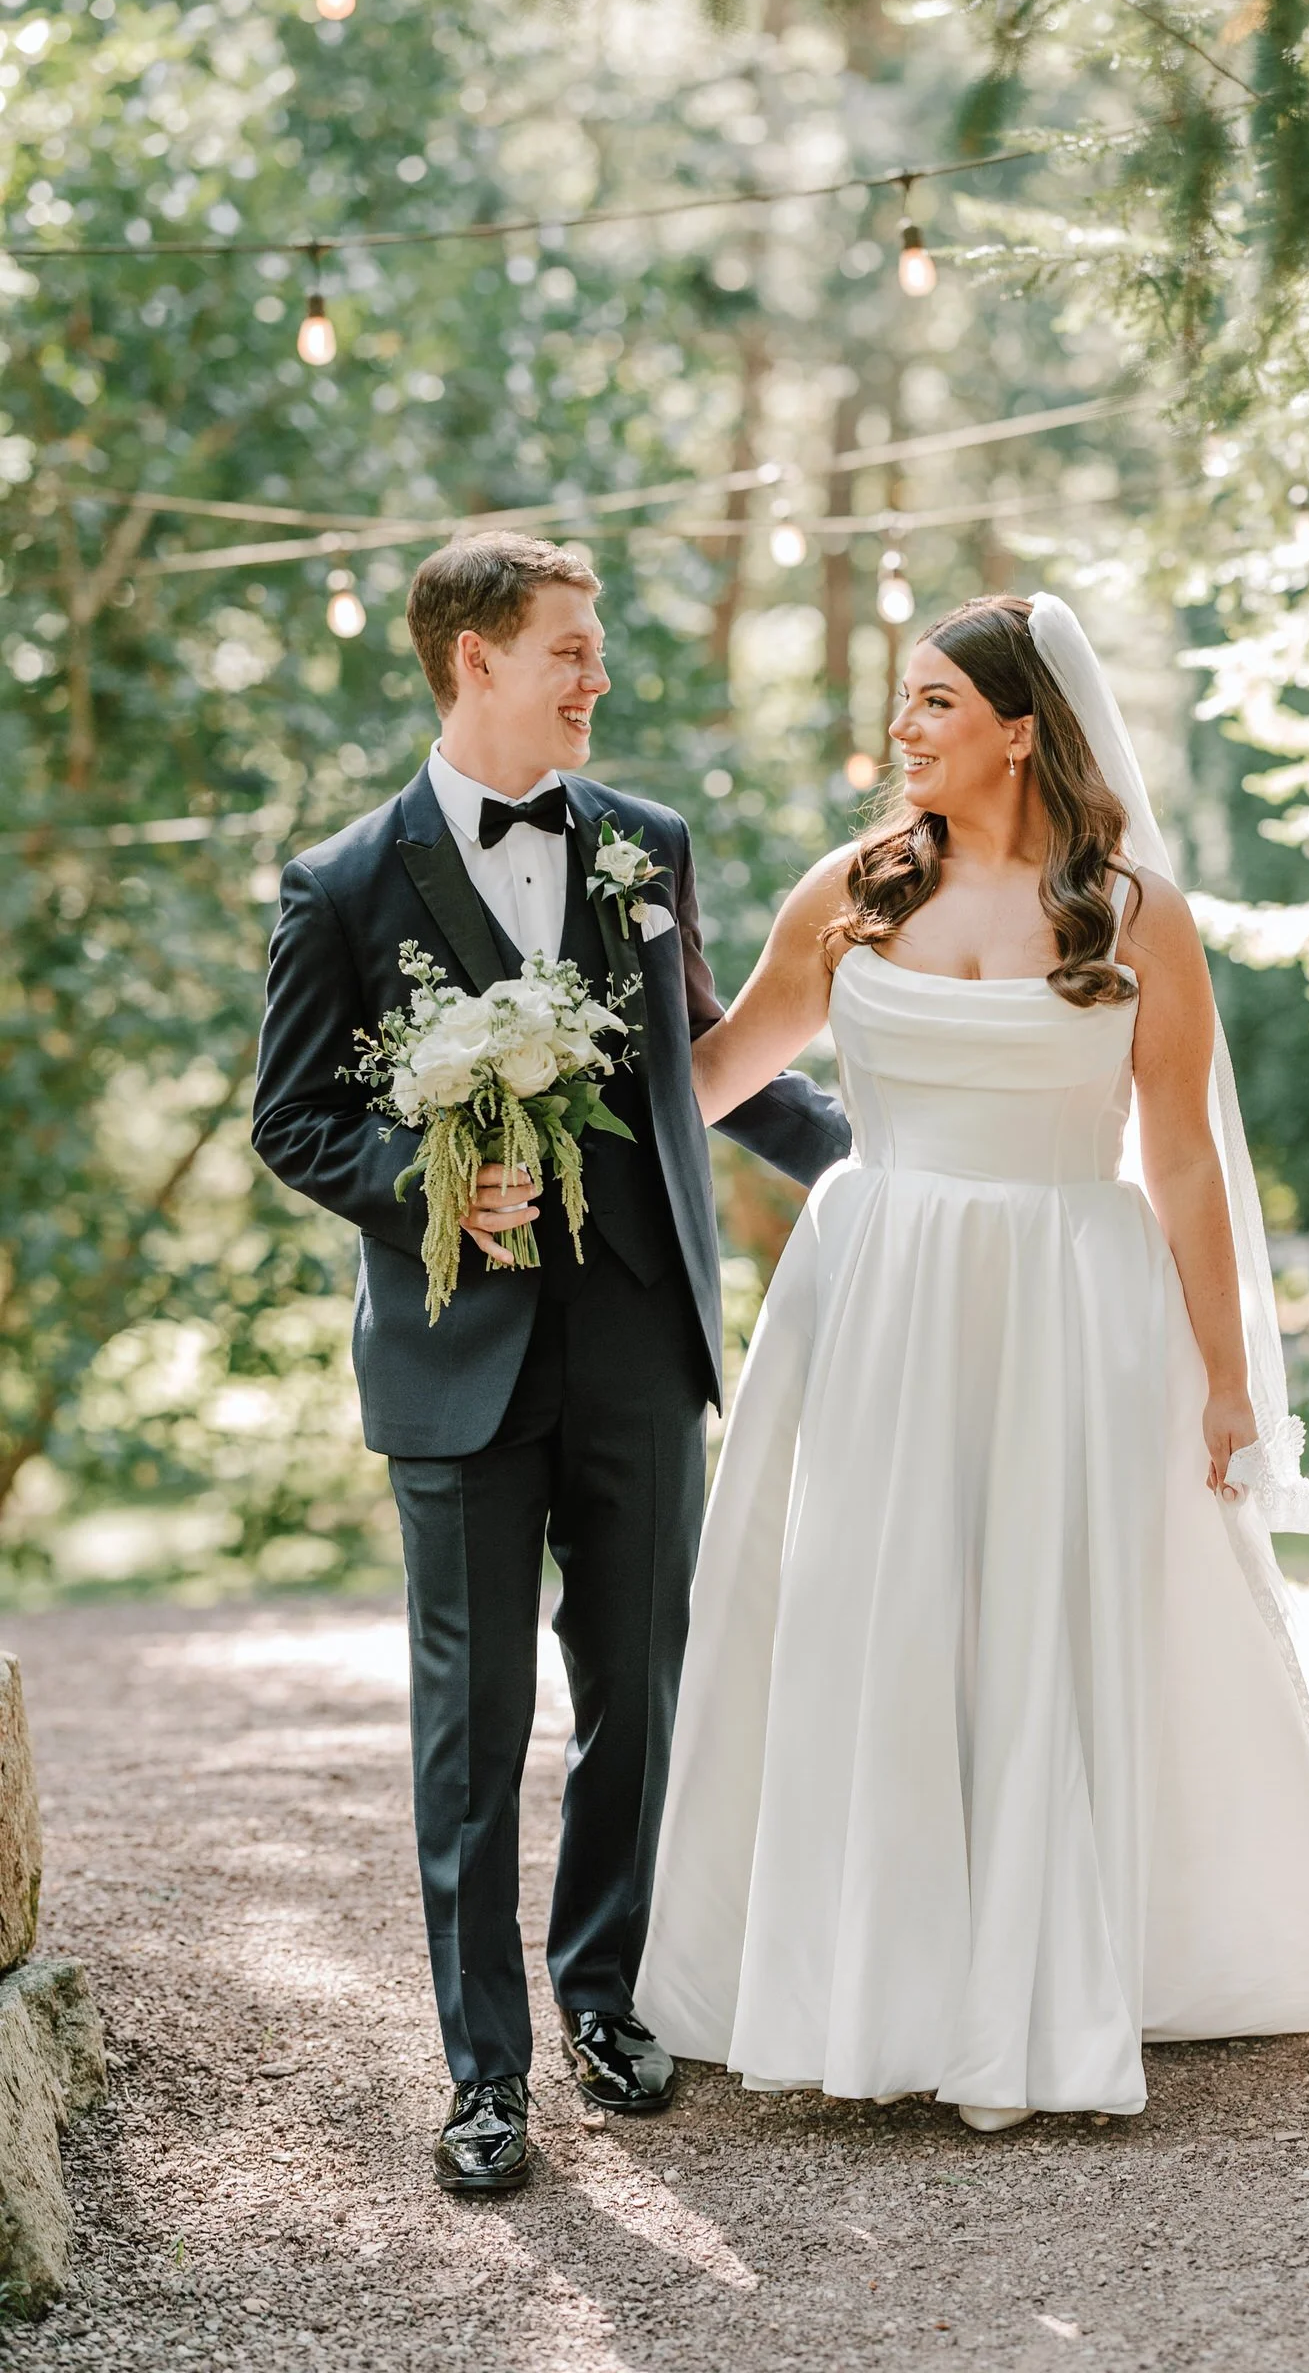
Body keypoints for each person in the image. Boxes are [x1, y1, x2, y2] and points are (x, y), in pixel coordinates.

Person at [636, 592, 1309, 2131]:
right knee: (882, 1615)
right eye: (906, 701)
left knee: (1036, 1615)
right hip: (877, 1291)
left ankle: (1034, 1985)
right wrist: (542, 1081)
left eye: (936, 703)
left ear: (1020, 729)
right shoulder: (849, 892)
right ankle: (874, 1983)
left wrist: (1227, 1376)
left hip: (1073, 1293)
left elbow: (1189, 1161)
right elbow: (718, 1075)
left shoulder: (1133, 912)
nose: (904, 730)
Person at [251, 533, 850, 2192]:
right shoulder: (343, 882)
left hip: (640, 1344)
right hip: (455, 1361)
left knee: (639, 1699)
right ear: (476, 664)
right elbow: (293, 1119)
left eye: (598, 649)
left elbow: (700, 1060)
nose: (601, 678)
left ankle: (606, 1999)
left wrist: (886, 1163)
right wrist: (431, 1178)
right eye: (572, 650)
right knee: (472, 1727)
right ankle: (484, 2076)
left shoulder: (646, 846)